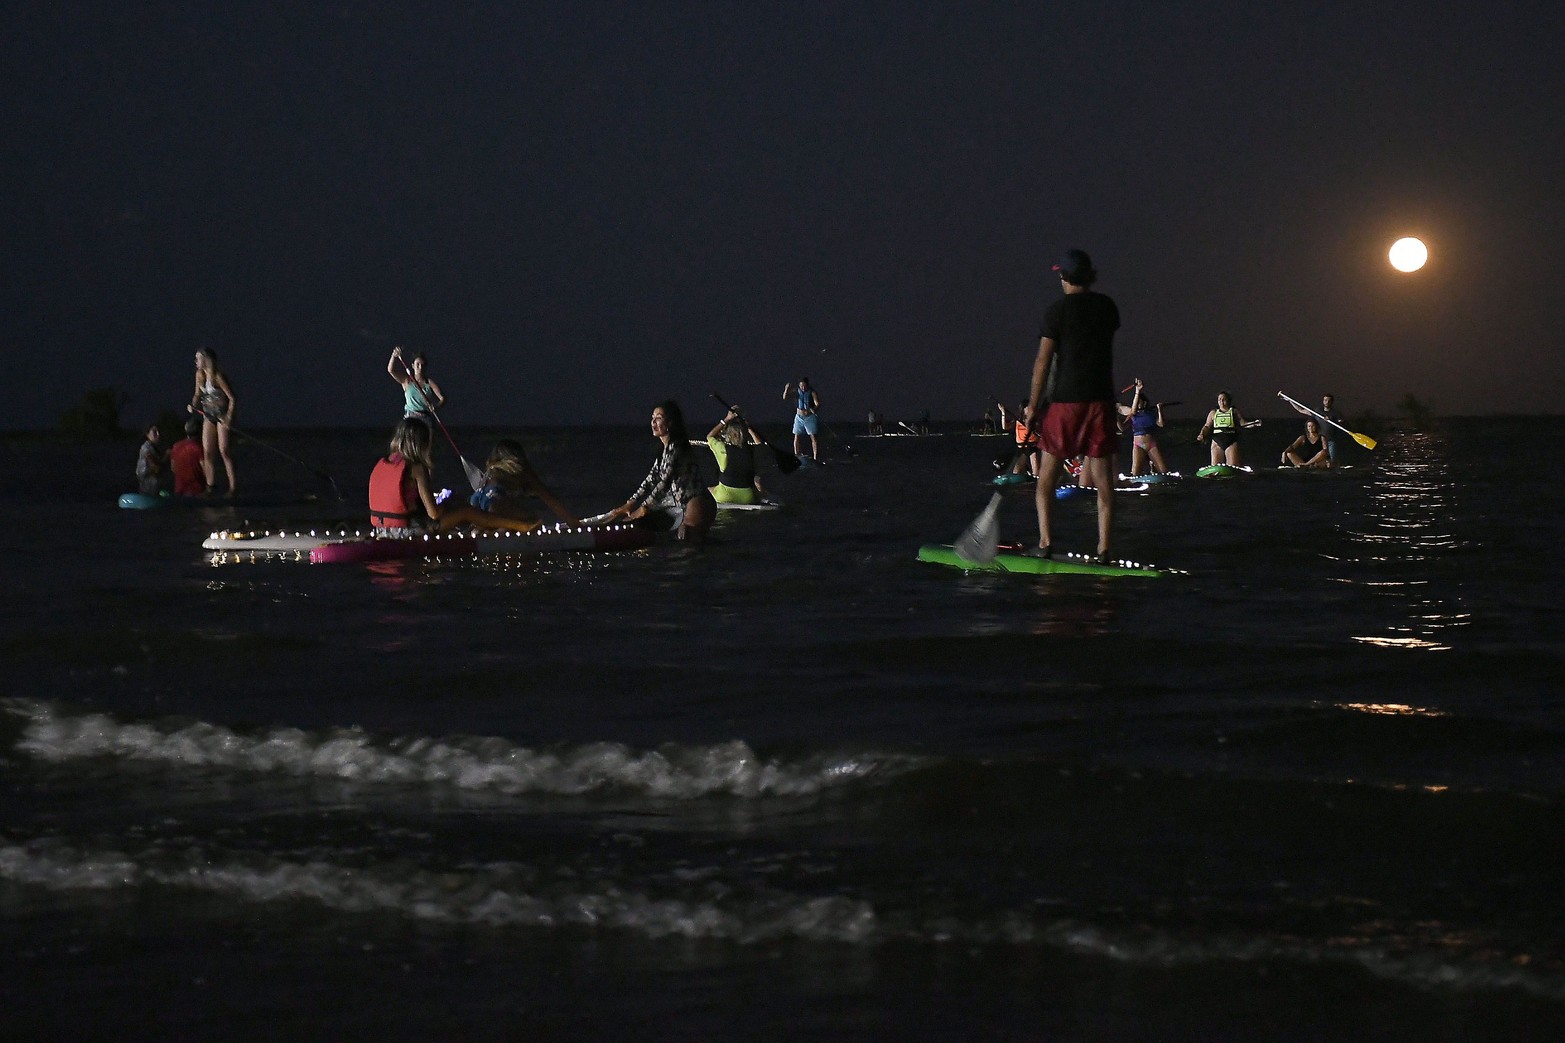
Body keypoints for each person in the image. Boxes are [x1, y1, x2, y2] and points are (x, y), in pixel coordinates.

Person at [1022, 249, 1120, 562]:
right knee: (1104, 484)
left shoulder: (1055, 312)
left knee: (1045, 481)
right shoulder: (1108, 307)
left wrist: (1032, 406)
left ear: (1063, 277)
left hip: (1065, 402)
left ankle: (1046, 543)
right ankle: (1104, 549)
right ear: (1089, 275)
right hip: (1101, 401)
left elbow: (1042, 361)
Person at [601, 400, 715, 543]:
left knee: (689, 549)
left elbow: (664, 483)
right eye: (652, 418)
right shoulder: (664, 451)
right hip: (683, 505)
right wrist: (630, 502)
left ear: (671, 423)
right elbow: (651, 478)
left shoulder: (677, 448)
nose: (653, 422)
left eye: (659, 418)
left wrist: (644, 508)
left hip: (696, 503)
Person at [464, 439, 580, 530]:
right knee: (533, 520)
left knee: (502, 522)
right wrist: (572, 522)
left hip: (478, 503)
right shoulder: (520, 470)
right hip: (497, 503)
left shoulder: (490, 471)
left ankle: (483, 531)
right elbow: (549, 498)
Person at [187, 347, 237, 494]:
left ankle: (233, 488)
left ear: (206, 360)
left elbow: (232, 398)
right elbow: (197, 394)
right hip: (208, 416)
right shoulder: (199, 375)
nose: (196, 361)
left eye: (198, 358)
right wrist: (193, 404)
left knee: (224, 451)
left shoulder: (217, 377)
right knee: (208, 452)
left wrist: (228, 417)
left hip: (221, 416)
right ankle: (210, 486)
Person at [706, 407, 764, 505]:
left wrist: (727, 419)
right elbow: (760, 444)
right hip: (747, 498)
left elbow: (709, 436)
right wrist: (748, 427)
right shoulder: (752, 450)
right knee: (758, 484)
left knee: (709, 489)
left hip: (724, 496)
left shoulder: (722, 449)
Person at [1117, 378, 1168, 476]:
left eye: (1139, 401)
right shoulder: (1132, 414)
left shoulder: (1150, 413)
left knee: (1163, 471)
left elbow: (1161, 424)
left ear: (1144, 402)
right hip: (1138, 445)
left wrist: (1160, 410)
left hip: (1151, 444)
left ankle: (1153, 468)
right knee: (1135, 472)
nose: (1137, 403)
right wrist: (1116, 419)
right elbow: (1122, 428)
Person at [1196, 391, 1261, 467]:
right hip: (1217, 441)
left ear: (1228, 400)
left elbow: (1243, 424)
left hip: (1231, 441)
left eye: (1224, 399)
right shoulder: (1213, 413)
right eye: (1219, 399)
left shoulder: (1234, 411)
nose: (1221, 401)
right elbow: (1207, 426)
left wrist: (1254, 423)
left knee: (1233, 465)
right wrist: (1202, 434)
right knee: (1215, 465)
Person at [388, 346, 446, 424]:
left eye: (422, 365)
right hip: (410, 417)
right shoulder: (406, 380)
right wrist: (393, 356)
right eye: (417, 364)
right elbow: (391, 370)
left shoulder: (429, 382)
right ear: (413, 366)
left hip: (425, 417)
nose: (420, 367)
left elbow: (442, 398)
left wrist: (435, 406)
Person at [169, 415, 208, 497]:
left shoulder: (175, 446)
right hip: (197, 492)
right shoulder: (199, 448)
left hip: (179, 492)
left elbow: (173, 468)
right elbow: (206, 470)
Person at [784, 378, 820, 460]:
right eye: (801, 386)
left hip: (809, 417)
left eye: (804, 386)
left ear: (807, 385)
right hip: (799, 417)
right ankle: (796, 455)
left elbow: (817, 403)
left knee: (813, 436)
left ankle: (815, 458)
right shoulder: (796, 391)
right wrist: (786, 389)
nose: (803, 388)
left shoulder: (812, 392)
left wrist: (814, 409)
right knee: (796, 435)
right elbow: (785, 397)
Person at [134, 423, 165, 496]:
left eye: (159, 432)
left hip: (153, 485)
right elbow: (155, 468)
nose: (158, 434)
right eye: (154, 432)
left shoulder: (154, 448)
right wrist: (166, 456)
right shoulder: (146, 448)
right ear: (147, 434)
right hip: (147, 485)